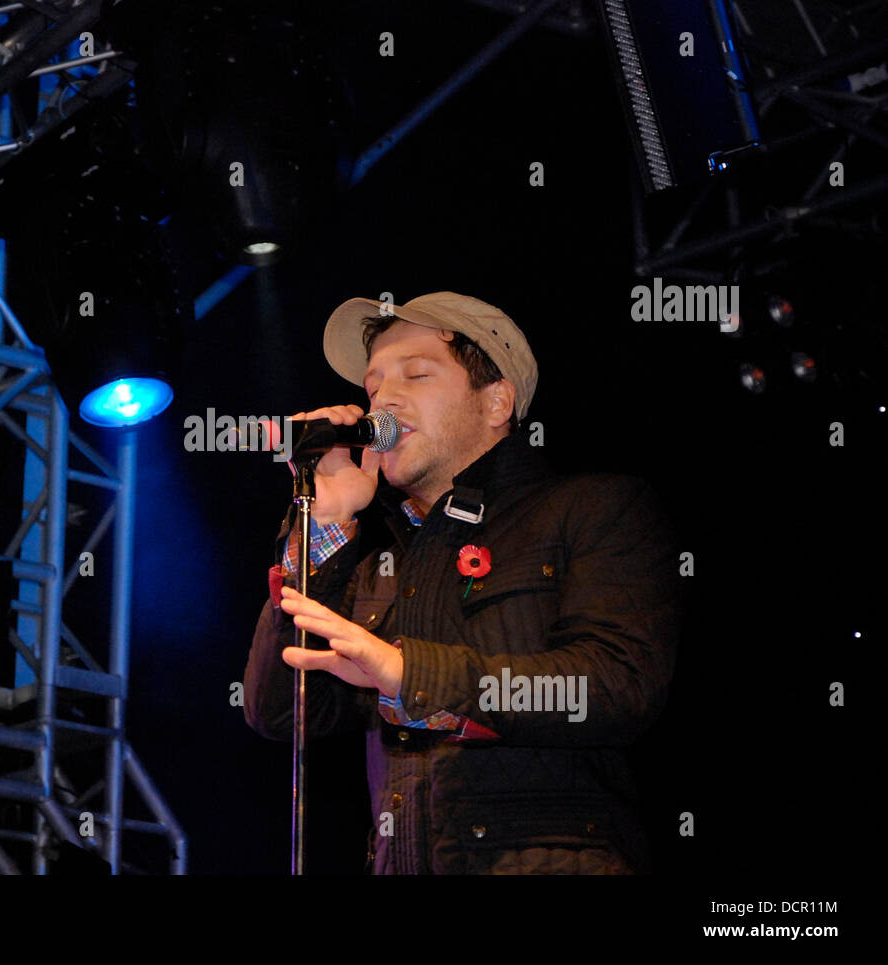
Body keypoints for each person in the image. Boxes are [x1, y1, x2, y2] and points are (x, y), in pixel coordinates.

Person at [242, 291, 680, 874]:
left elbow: (617, 685)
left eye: (416, 374)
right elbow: (280, 711)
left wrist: (411, 674)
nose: (383, 399)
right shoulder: (377, 566)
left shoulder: (592, 508)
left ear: (497, 400)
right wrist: (324, 520)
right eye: (373, 386)